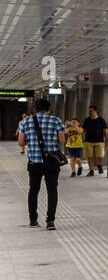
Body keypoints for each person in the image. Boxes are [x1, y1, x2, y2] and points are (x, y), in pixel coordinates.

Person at [17, 98, 65, 230]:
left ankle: (33, 220)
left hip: (34, 162)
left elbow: (21, 143)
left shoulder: (25, 121)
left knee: (33, 190)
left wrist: (32, 142)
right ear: (49, 108)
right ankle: (50, 221)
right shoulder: (56, 120)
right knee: (52, 190)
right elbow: (61, 141)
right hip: (51, 162)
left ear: (34, 109)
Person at [82, 105, 108, 175]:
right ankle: (91, 170)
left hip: (99, 140)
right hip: (88, 141)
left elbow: (105, 130)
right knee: (89, 156)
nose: (89, 112)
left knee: (101, 155)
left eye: (91, 111)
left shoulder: (101, 120)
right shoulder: (87, 120)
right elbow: (83, 130)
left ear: (95, 111)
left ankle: (100, 165)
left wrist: (106, 139)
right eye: (89, 111)